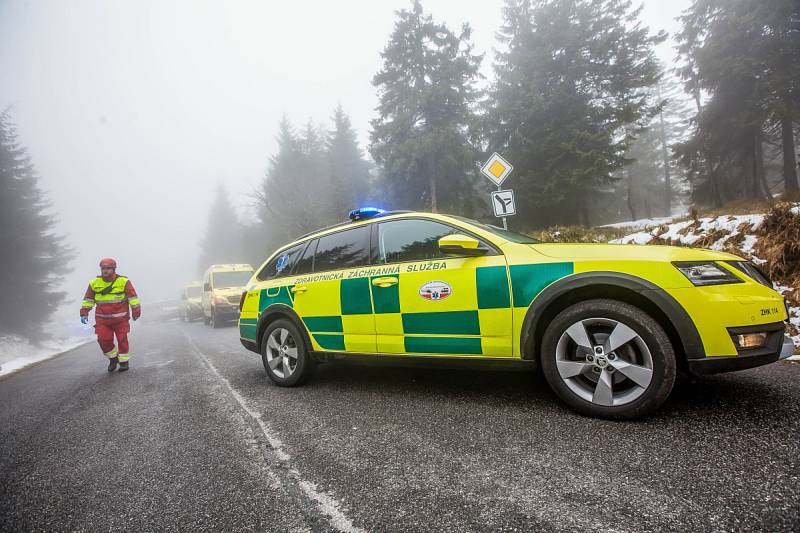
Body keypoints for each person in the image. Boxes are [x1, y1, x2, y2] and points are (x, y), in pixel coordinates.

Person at [80, 258, 141, 372]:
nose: (105, 271)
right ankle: (113, 358)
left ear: (114, 269)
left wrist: (136, 311)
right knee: (103, 340)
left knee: (122, 339)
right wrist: (84, 313)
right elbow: (88, 299)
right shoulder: (94, 283)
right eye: (103, 268)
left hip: (121, 319)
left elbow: (132, 298)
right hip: (102, 320)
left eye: (108, 268)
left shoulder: (123, 281)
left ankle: (124, 362)